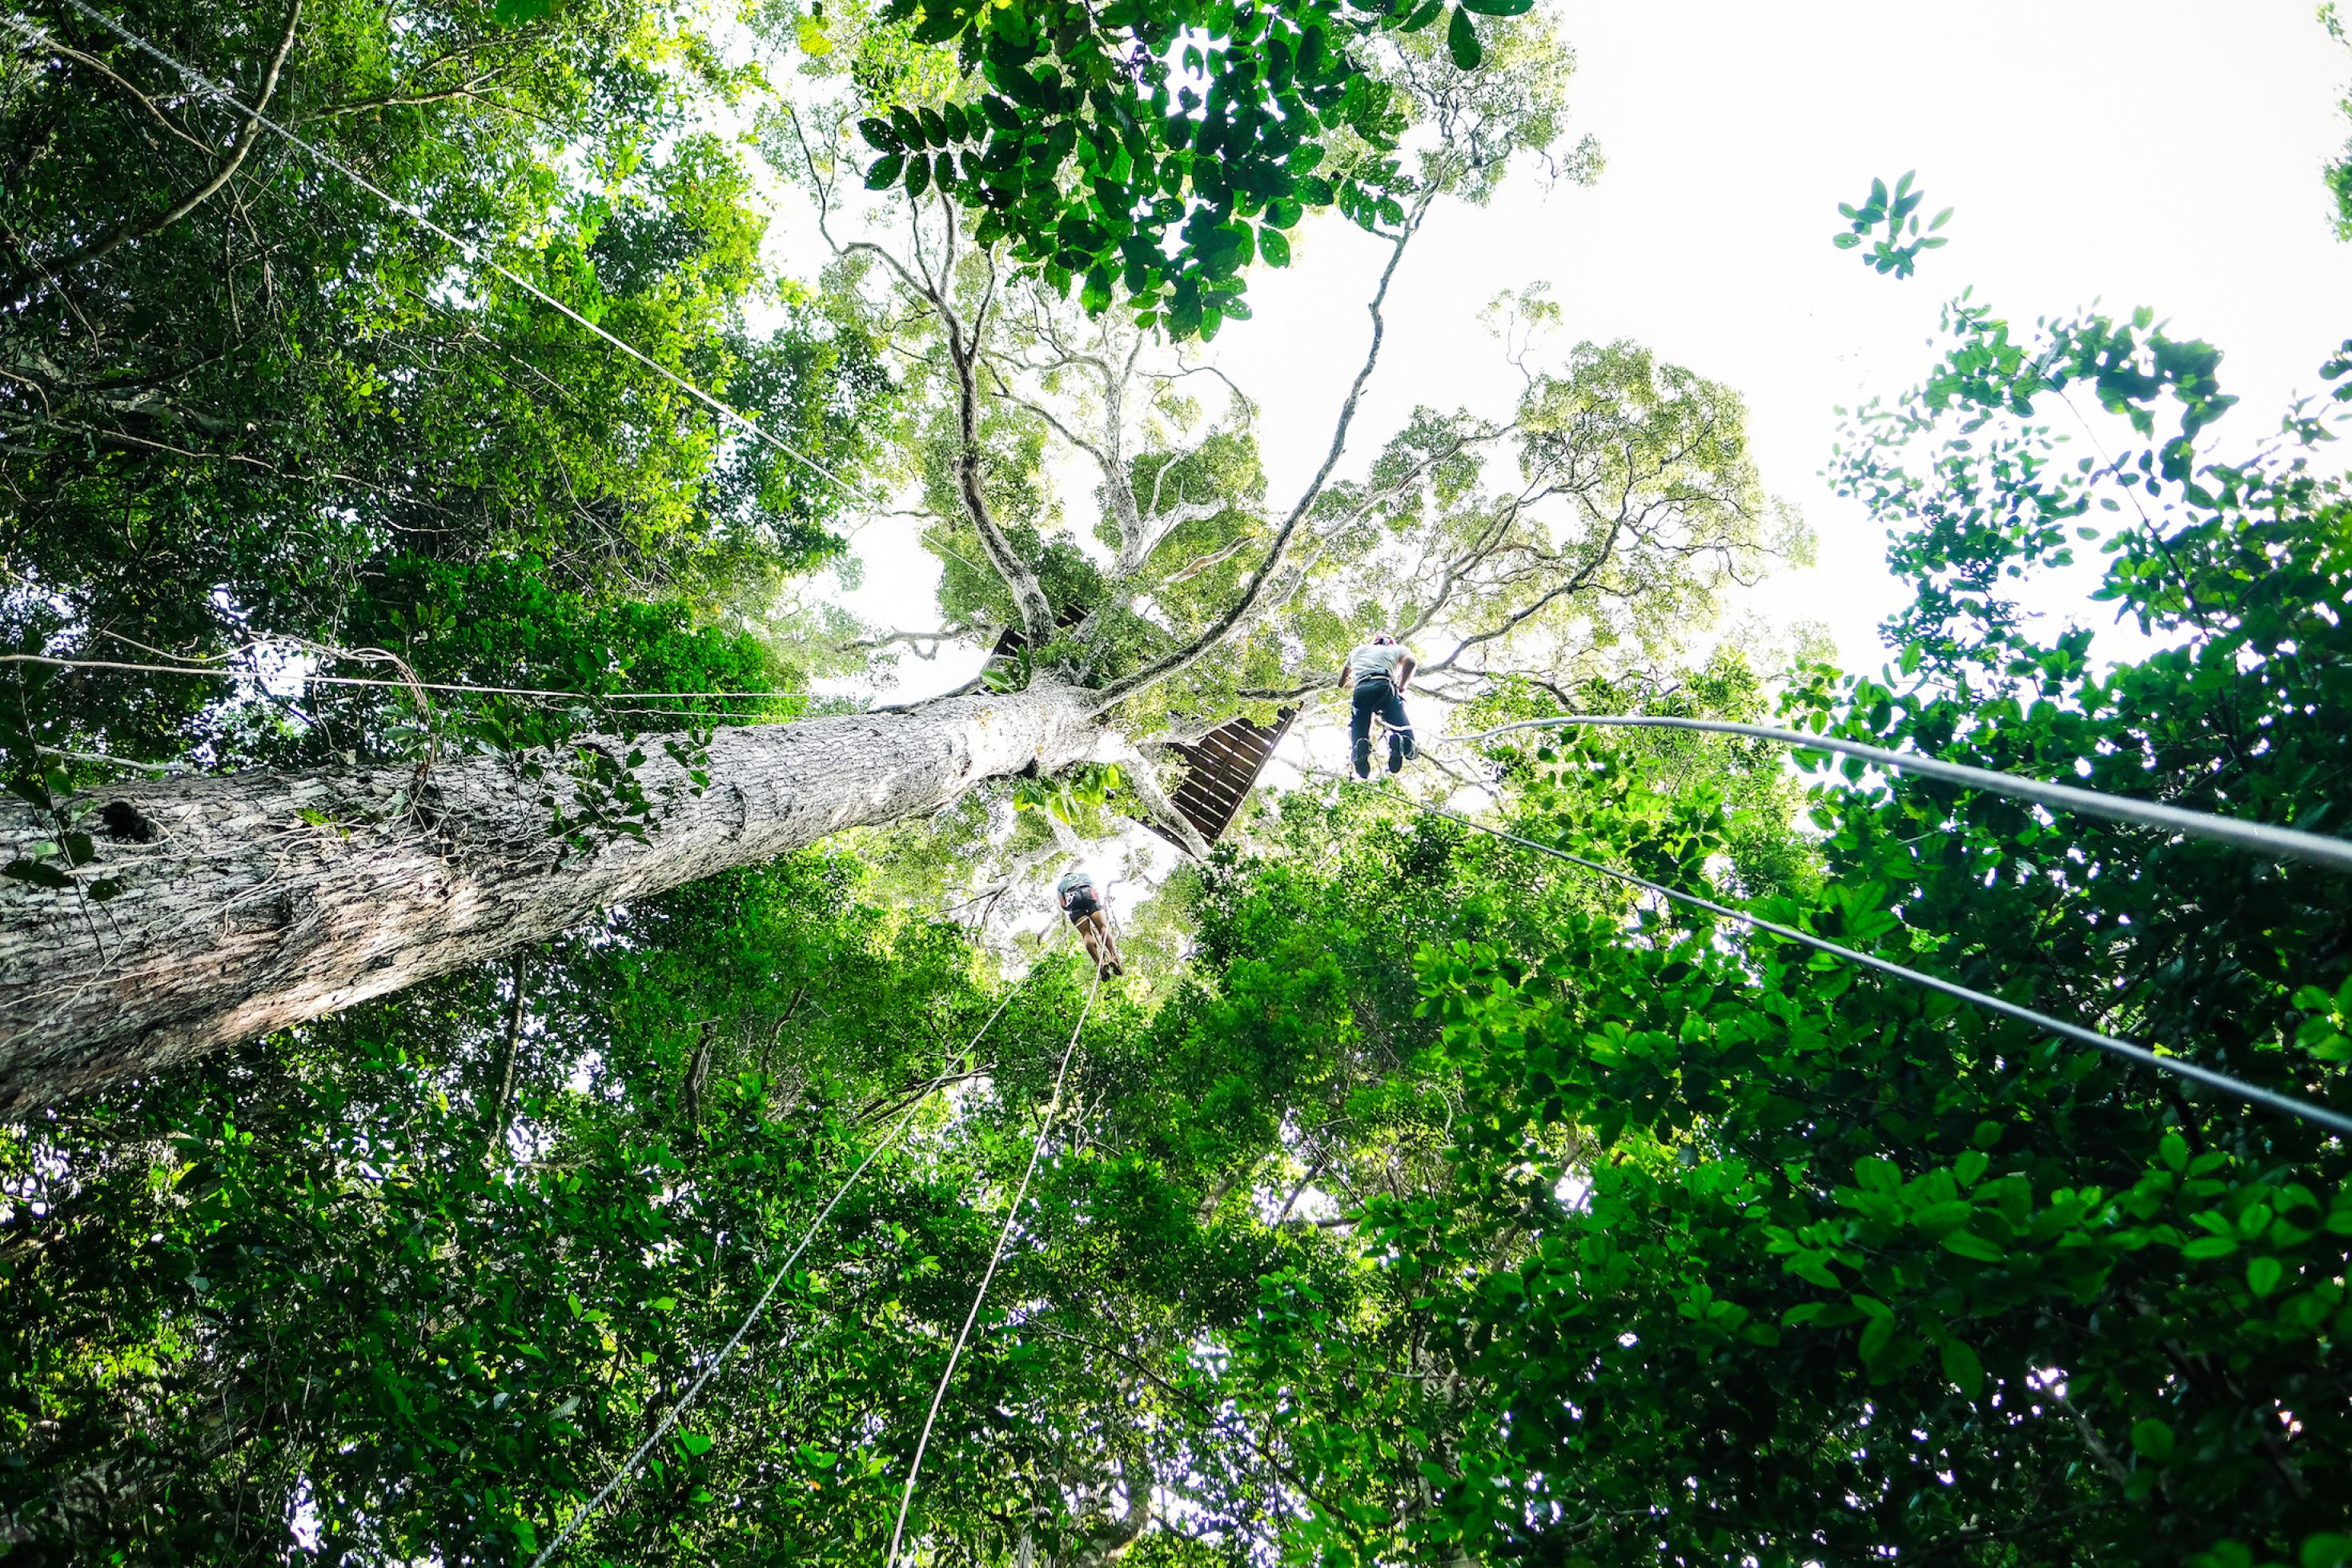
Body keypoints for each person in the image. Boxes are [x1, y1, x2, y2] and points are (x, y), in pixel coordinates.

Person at [1337, 632, 1416, 779]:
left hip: (1361, 689)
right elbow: (1410, 663)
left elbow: (1341, 682)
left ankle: (1361, 746)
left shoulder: (1358, 650)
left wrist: (1359, 683)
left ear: (1375, 642)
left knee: (1360, 721)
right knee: (1410, 746)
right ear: (1390, 643)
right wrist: (1401, 686)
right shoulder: (1397, 649)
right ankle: (1401, 740)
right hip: (1385, 686)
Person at [1056, 865, 1124, 978]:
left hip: (1074, 900)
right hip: (1088, 895)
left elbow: (1063, 905)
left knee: (1086, 934)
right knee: (1103, 928)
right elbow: (1095, 891)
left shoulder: (1060, 885)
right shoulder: (1084, 875)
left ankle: (1100, 964)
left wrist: (1073, 909)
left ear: (1064, 877)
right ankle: (1113, 957)